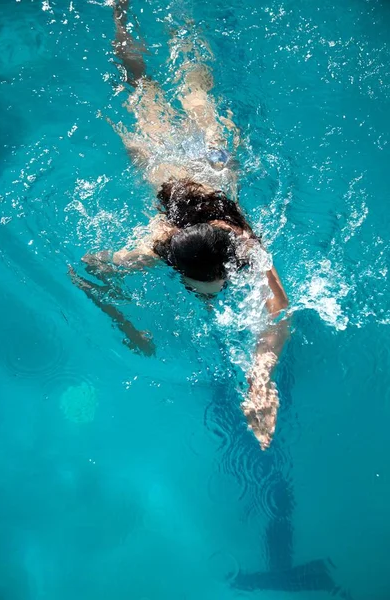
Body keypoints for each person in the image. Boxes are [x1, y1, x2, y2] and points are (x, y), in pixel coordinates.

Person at [71, 0, 289, 450]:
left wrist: (260, 379)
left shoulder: (233, 245)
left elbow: (95, 264)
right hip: (179, 164)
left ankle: (154, 20)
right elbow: (276, 316)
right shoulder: (190, 245)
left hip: (205, 164)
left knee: (164, 91)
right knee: (150, 89)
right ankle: (152, 19)